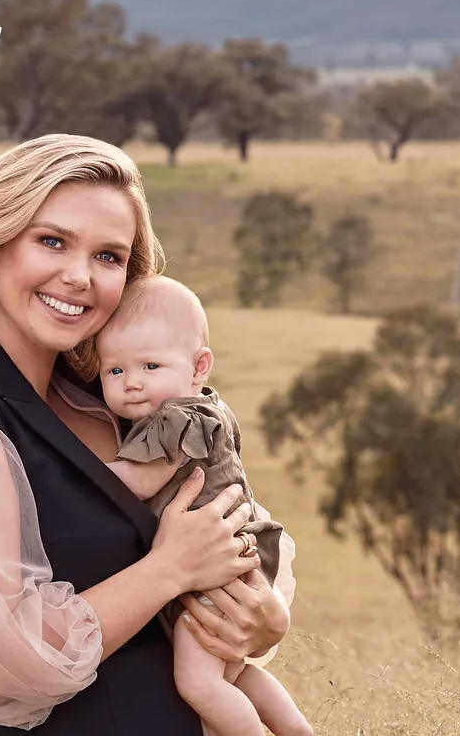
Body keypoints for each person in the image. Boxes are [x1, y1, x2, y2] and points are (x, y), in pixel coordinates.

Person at [0, 134, 292, 735]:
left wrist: (266, 618)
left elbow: (231, 521)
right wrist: (169, 569)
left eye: (108, 257)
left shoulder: (110, 405)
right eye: (51, 241)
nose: (79, 276)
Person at [98, 275, 312, 736]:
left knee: (196, 682)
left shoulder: (175, 420)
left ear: (199, 367)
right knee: (236, 674)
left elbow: (139, 480)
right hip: (235, 554)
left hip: (219, 569)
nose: (131, 383)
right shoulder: (211, 407)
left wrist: (73, 473)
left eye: (150, 366)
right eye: (114, 371)